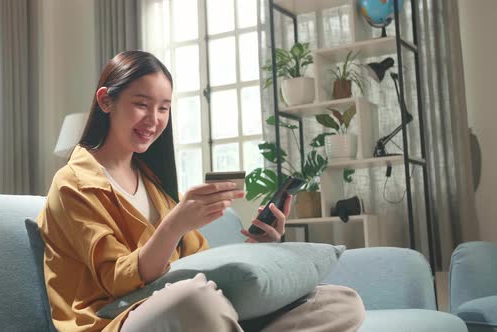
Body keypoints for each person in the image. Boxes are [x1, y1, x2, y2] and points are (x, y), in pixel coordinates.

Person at [37, 50, 365, 332]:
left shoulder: (152, 184)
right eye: (141, 104)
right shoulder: (73, 184)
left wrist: (258, 246)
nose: (153, 119)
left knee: (339, 302)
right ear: (106, 100)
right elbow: (116, 280)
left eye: (163, 108)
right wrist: (174, 225)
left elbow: (198, 264)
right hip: (113, 318)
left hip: (183, 310)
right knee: (197, 300)